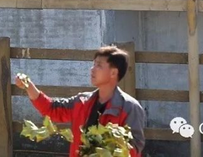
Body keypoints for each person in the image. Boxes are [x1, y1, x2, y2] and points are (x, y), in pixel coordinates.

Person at [15, 46, 146, 157]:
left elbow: (133, 150)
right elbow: (51, 109)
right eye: (93, 64)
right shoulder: (82, 102)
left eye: (99, 65)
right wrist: (29, 86)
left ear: (113, 73)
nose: (92, 69)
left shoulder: (130, 108)